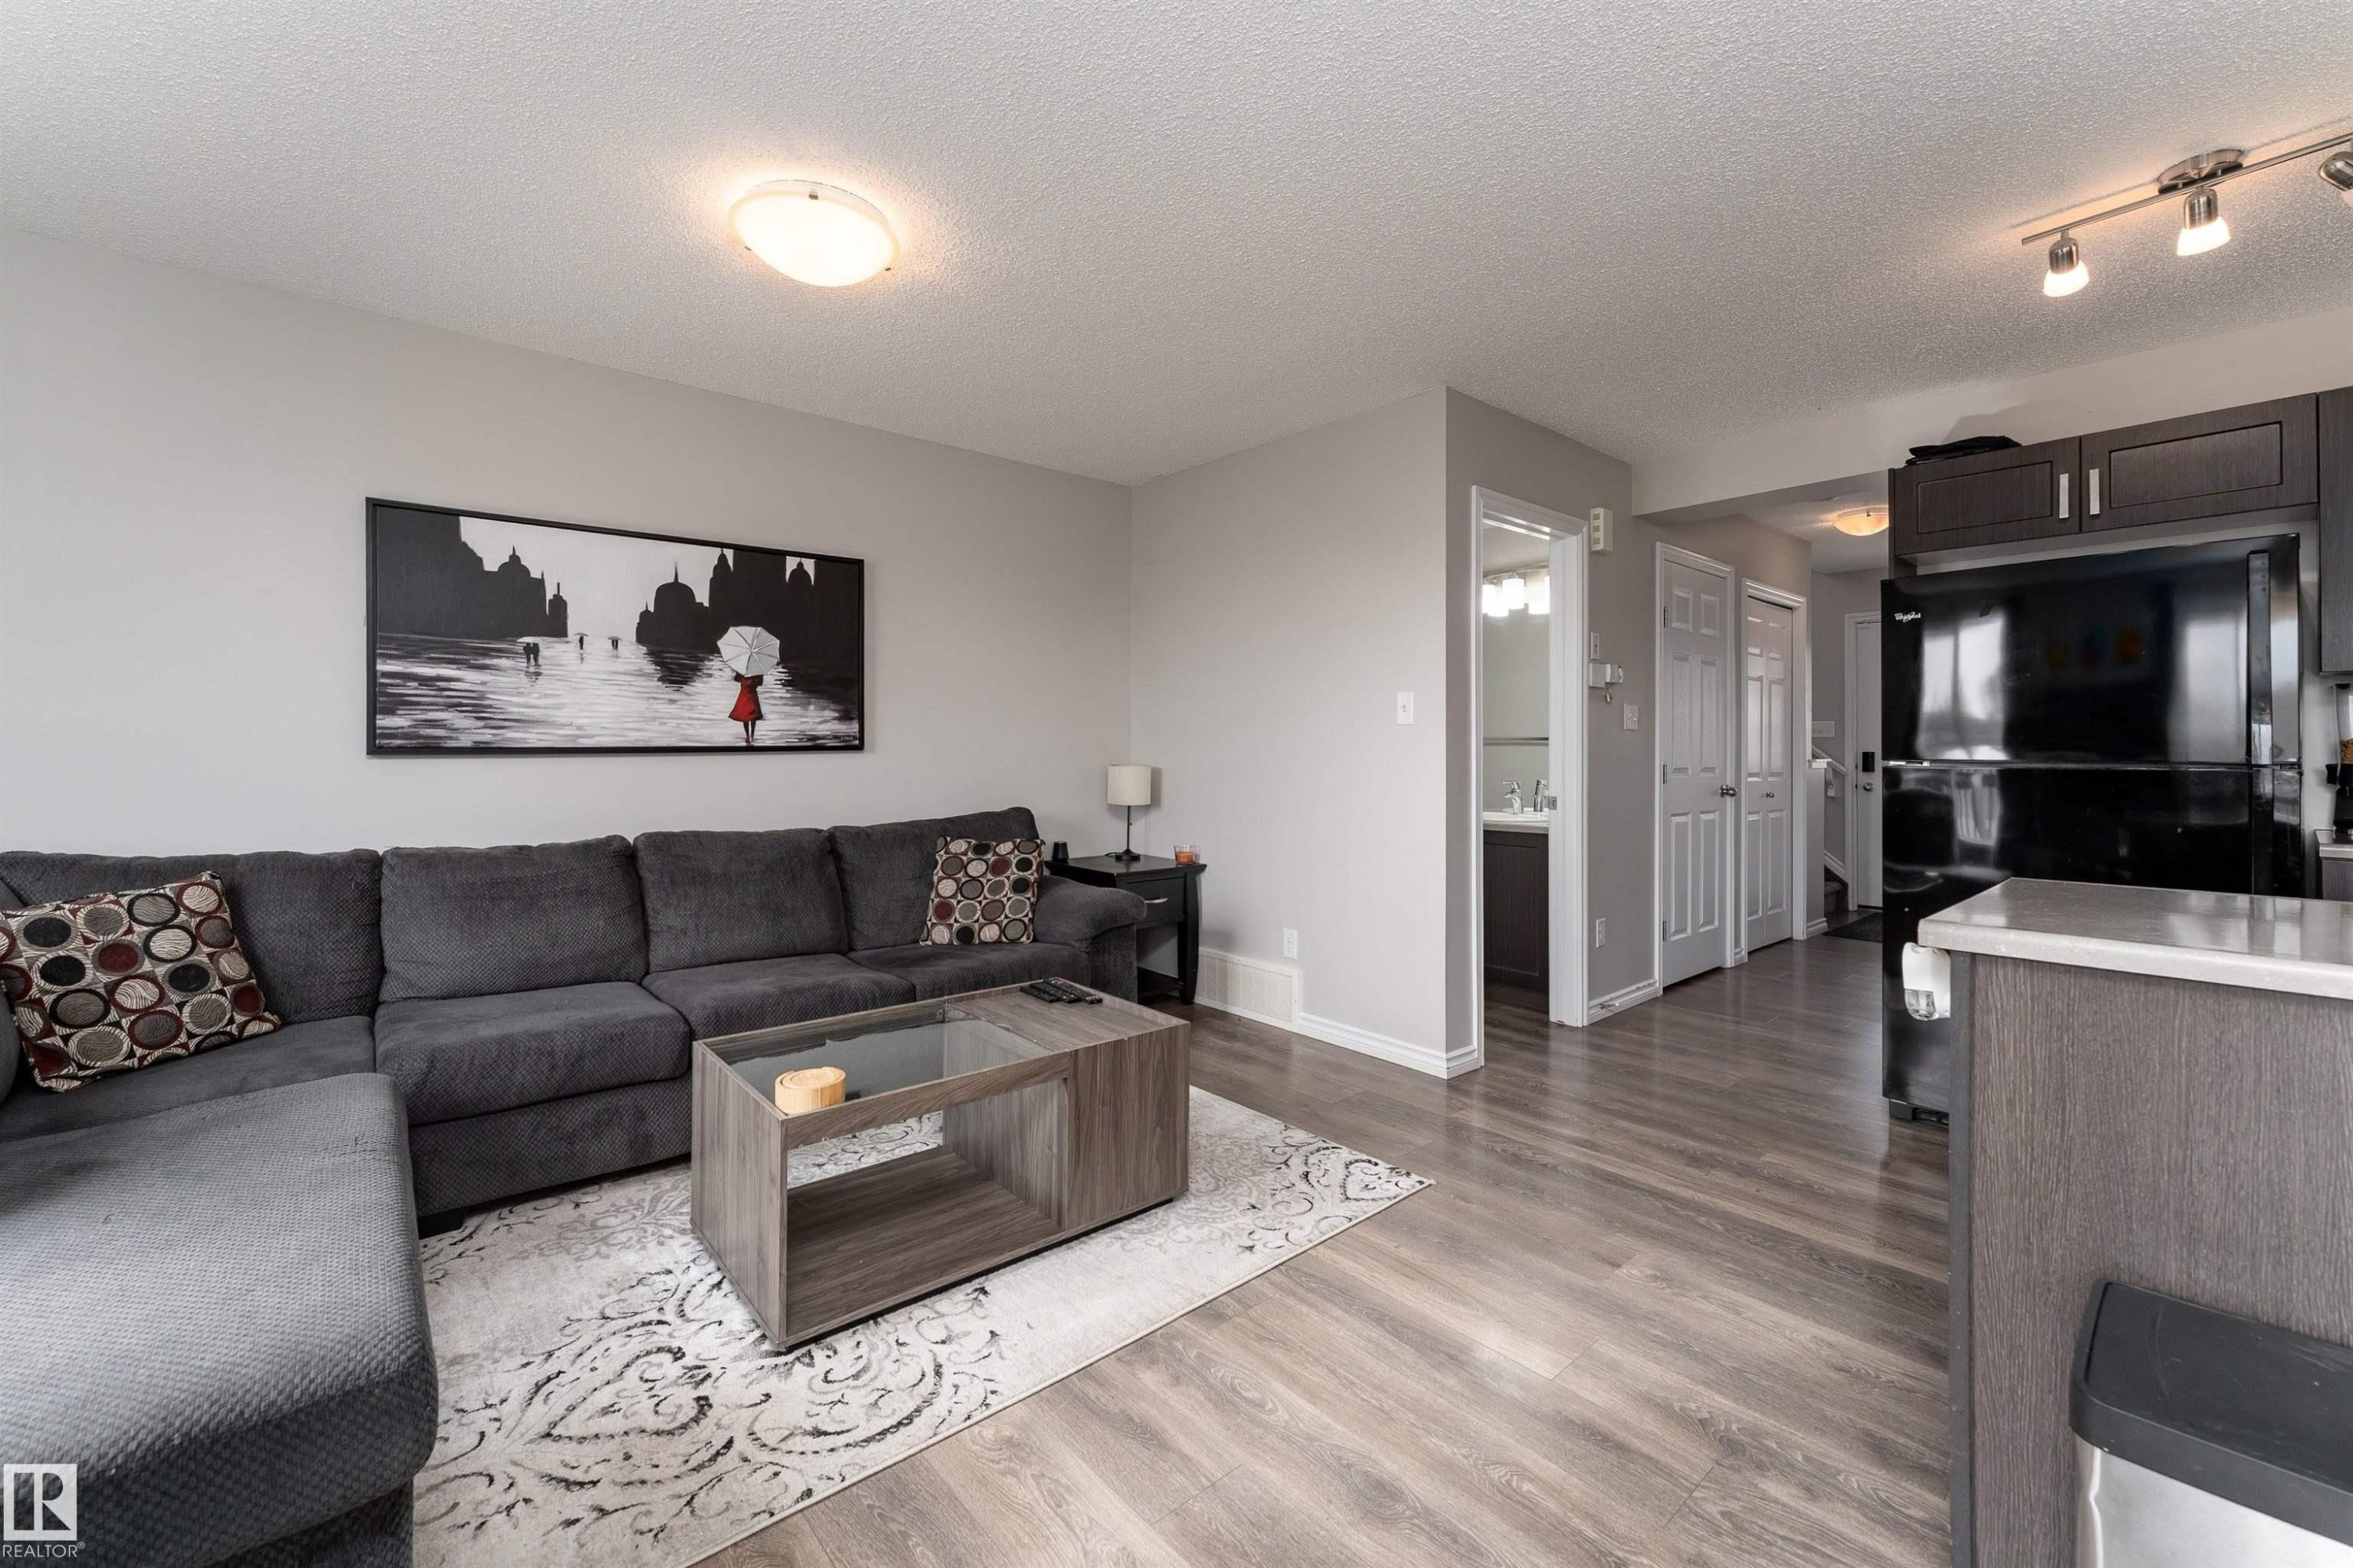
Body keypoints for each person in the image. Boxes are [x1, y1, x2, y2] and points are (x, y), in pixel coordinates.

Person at [729, 671, 764, 745]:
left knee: (745, 716)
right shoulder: (757, 672)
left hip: (744, 695)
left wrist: (738, 672)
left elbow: (736, 679)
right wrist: (761, 676)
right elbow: (760, 684)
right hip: (752, 695)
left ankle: (748, 736)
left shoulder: (742, 671)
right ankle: (752, 735)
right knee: (753, 715)